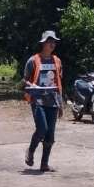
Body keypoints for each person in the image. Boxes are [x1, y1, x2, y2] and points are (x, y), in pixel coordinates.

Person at [24, 31, 63, 172]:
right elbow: (25, 80)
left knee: (50, 135)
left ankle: (44, 164)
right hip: (37, 100)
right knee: (42, 129)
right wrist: (30, 85)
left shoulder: (57, 61)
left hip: (52, 101)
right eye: (49, 41)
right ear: (43, 43)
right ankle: (31, 150)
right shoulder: (33, 60)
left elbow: (59, 83)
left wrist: (61, 104)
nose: (52, 44)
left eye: (54, 42)